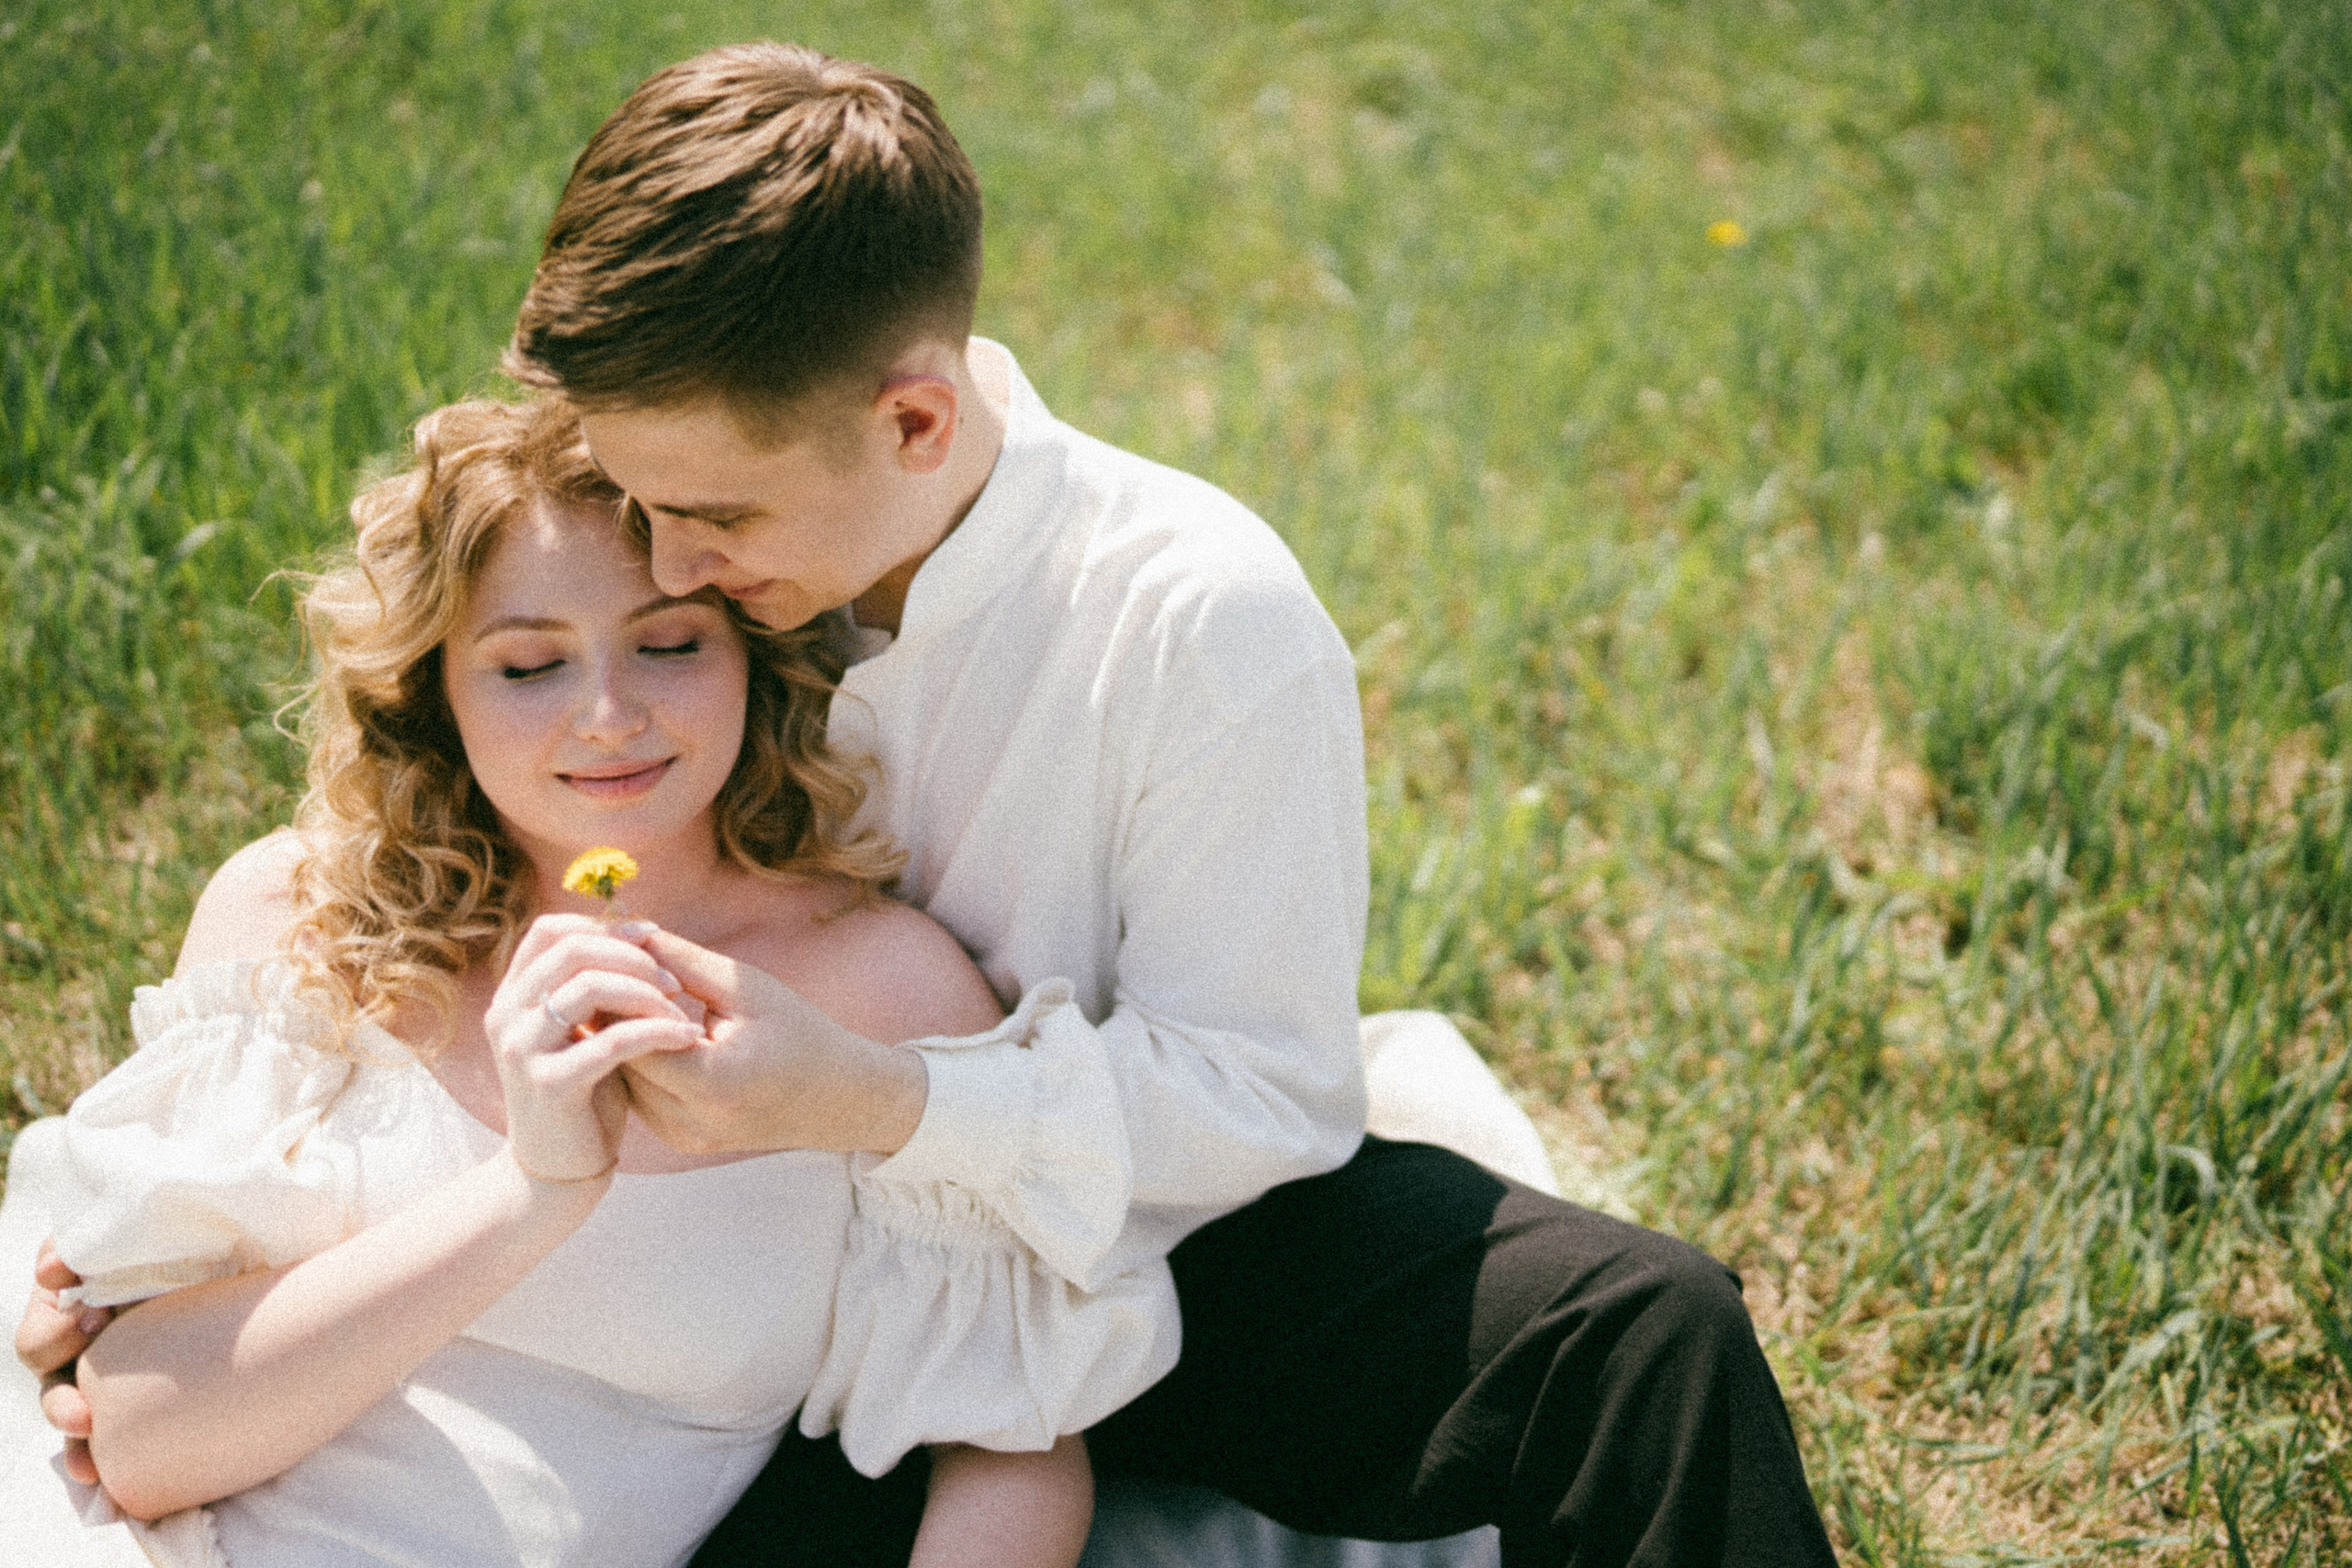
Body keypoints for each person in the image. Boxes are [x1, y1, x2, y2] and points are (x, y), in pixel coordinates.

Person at [25, 40, 1841, 1568]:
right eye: (643, 514)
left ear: (910, 423)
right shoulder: (698, 582)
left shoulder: (1191, 616)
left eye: (704, 533)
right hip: (771, 1302)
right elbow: (489, 769)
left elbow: (1264, 1094)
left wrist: (877, 1095)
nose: (669, 569)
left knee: (1640, 1330)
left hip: (1144, 1239)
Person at [0, 395, 1170, 1567]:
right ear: (435, 693)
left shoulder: (874, 994)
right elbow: (142, 1448)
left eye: (669, 644)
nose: (610, 717)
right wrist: (532, 1190)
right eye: (527, 665)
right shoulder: (304, 924)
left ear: (754, 656)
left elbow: (1012, 1445)